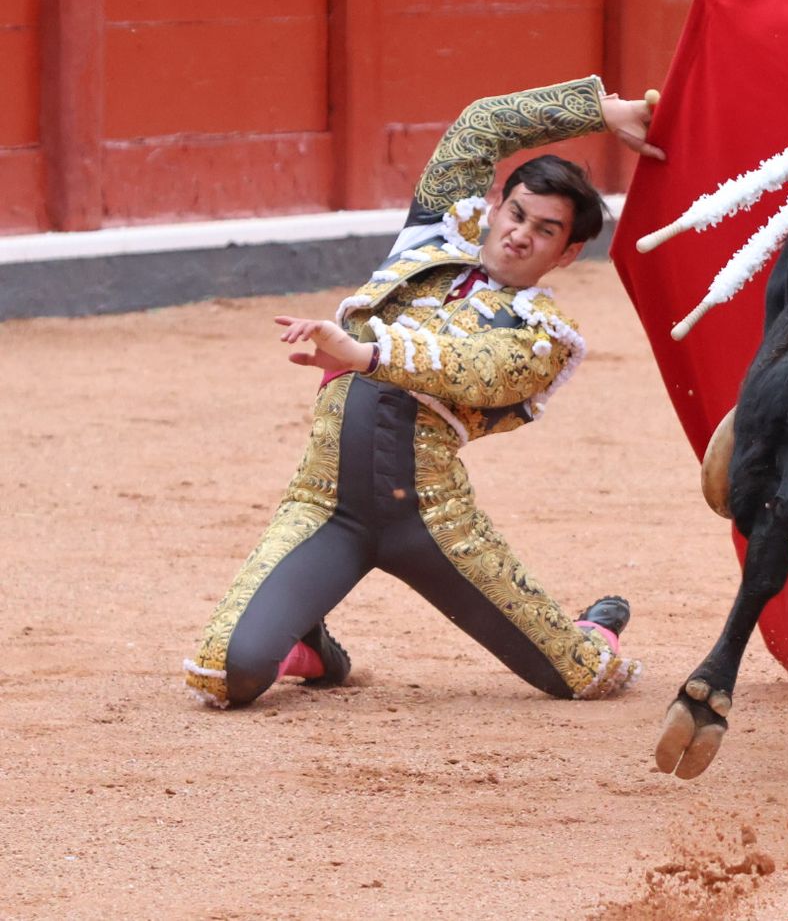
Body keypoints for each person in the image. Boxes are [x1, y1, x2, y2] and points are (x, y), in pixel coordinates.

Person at [183, 75, 662, 708]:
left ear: (567, 253)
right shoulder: (430, 240)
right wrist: (601, 111)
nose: (520, 233)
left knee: (581, 677)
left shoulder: (544, 335)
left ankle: (594, 629)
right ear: (496, 208)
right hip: (324, 505)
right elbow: (480, 127)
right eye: (516, 213)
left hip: (432, 523)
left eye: (545, 231)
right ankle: (311, 646)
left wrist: (364, 354)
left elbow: (469, 367)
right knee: (226, 675)